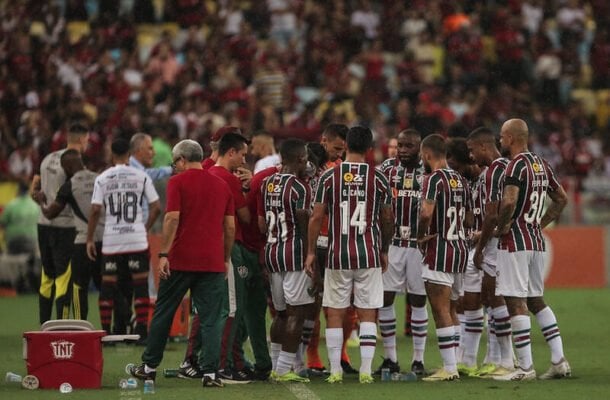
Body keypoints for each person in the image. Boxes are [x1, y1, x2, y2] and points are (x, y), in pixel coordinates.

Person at [128, 139, 235, 388]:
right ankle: (210, 374)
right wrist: (226, 258)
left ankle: (149, 367)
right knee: (210, 318)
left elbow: (172, 218)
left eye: (175, 162)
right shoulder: (221, 185)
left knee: (164, 312)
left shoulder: (177, 182)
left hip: (180, 259)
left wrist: (164, 254)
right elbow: (229, 227)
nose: (174, 167)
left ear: (182, 160)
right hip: (212, 261)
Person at [305, 125, 393, 384]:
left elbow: (317, 216)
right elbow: (387, 218)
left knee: (335, 311)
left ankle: (335, 371)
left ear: (346, 146)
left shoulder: (329, 177)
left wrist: (311, 251)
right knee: (367, 312)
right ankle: (365, 370)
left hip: (337, 254)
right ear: (369, 148)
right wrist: (384, 249)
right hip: (368, 253)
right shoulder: (379, 178)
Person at [493, 119, 570, 381]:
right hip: (536, 241)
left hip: (515, 242)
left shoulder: (514, 166)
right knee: (537, 300)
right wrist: (540, 224)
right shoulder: (541, 164)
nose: (500, 141)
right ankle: (559, 361)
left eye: (502, 137)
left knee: (516, 302)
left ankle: (525, 368)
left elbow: (509, 201)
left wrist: (502, 226)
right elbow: (562, 198)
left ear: (511, 138)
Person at [86, 138, 161, 342]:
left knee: (108, 285)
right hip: (136, 238)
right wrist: (143, 227)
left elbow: (95, 210)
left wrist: (90, 239)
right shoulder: (141, 176)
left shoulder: (102, 178)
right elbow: (156, 207)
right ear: (129, 155)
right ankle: (143, 332)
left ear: (112, 155)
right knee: (140, 284)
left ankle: (106, 332)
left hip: (112, 240)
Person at [417, 134, 471, 382]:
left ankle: (449, 368)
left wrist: (420, 236)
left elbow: (426, 213)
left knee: (440, 310)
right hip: (460, 250)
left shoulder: (433, 179)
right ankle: (456, 361)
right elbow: (470, 218)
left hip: (439, 250)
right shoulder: (461, 180)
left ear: (427, 154)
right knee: (452, 308)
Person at [306, 123, 359, 375]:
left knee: (346, 305)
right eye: (336, 148)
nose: (339, 153)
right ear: (324, 141)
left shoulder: (345, 170)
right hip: (318, 242)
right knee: (314, 303)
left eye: (343, 149)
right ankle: (312, 356)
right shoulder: (309, 168)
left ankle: (341, 354)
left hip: (341, 243)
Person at [259, 138, 313, 382]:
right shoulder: (301, 188)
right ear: (301, 158)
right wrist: (313, 259)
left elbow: (263, 223)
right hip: (294, 254)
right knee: (296, 314)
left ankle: (274, 364)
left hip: (272, 252)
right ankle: (284, 370)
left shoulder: (267, 183)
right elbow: (303, 224)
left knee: (280, 313)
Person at [376, 128, 427, 376]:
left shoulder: (429, 170)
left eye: (408, 146)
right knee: (385, 298)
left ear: (419, 147)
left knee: (418, 299)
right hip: (393, 243)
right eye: (400, 146)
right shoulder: (386, 169)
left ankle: (418, 360)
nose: (403, 151)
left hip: (419, 245)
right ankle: (391, 358)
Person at [208, 132, 257, 383]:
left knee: (217, 309)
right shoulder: (228, 178)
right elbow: (246, 217)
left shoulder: (209, 175)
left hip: (209, 246)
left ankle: (223, 362)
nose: (244, 159)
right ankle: (222, 367)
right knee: (231, 309)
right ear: (231, 153)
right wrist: (251, 189)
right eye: (242, 154)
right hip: (228, 247)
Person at [467, 127, 515, 377]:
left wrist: (481, 245)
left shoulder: (494, 171)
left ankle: (508, 360)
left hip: (497, 243)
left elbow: (492, 215)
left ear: (484, 147)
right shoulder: (509, 165)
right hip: (509, 240)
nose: (471, 156)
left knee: (496, 297)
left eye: (472, 150)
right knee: (493, 297)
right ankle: (497, 357)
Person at [33, 150, 104, 320]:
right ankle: (115, 329)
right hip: (105, 240)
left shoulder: (69, 185)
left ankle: (80, 327)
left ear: (67, 167)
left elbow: (50, 213)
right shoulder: (100, 178)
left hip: (82, 241)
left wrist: (41, 201)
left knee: (79, 287)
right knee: (107, 287)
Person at [34, 122, 89, 324]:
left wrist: (41, 200)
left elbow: (35, 188)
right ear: (83, 139)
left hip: (43, 224)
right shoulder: (73, 160)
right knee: (63, 278)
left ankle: (43, 326)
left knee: (46, 277)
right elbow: (79, 190)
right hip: (64, 226)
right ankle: (61, 327)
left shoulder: (48, 158)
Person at [445, 137, 485, 375]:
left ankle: (474, 358)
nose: (455, 173)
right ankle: (465, 359)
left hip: (487, 247)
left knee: (477, 302)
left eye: (457, 167)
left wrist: (481, 235)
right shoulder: (467, 182)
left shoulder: (487, 178)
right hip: (465, 247)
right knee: (461, 303)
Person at [0, 182, 39, 293]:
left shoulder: (12, 204)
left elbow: (2, 224)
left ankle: (14, 283)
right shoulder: (35, 206)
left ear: (18, 191)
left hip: (14, 244)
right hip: (31, 244)